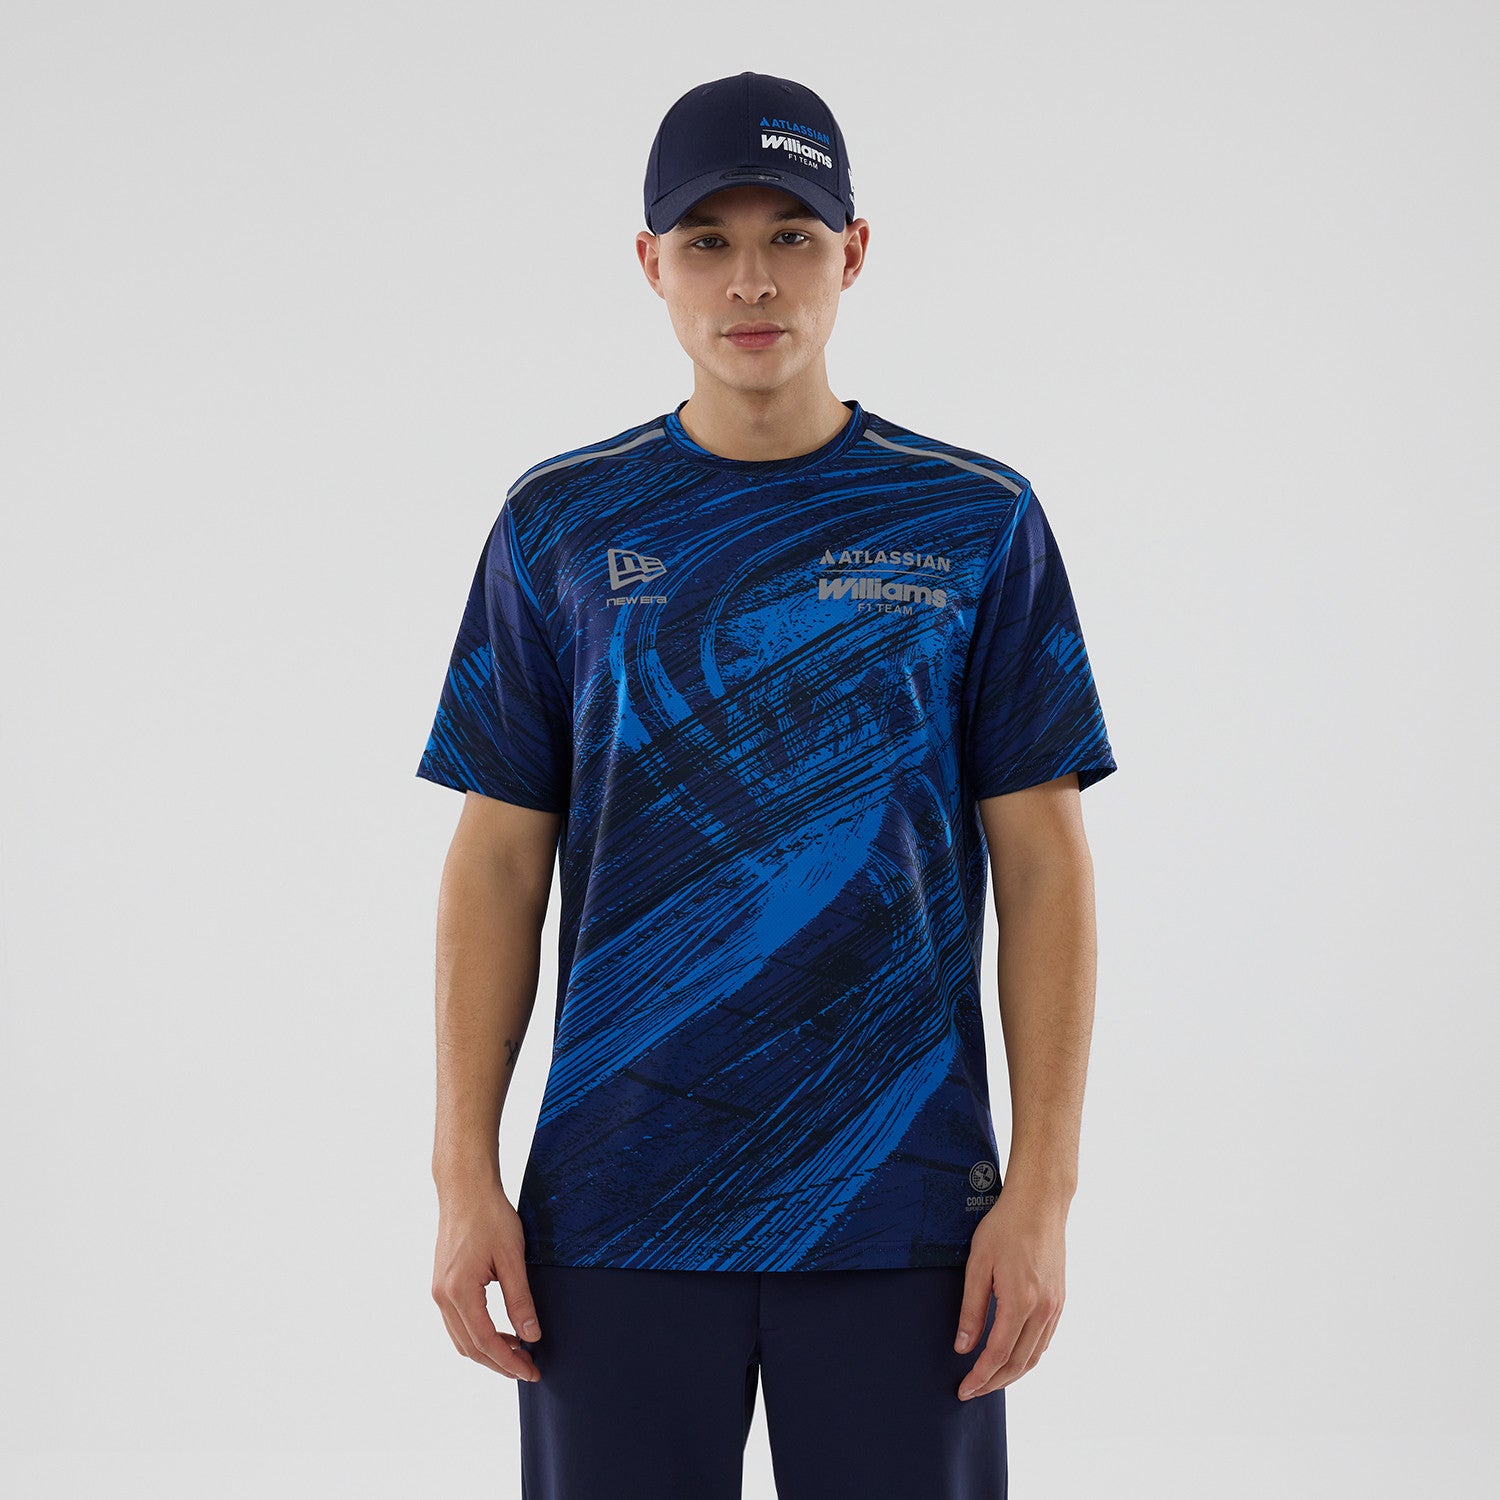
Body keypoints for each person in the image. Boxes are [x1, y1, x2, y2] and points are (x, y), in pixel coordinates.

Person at [416, 69, 1118, 1500]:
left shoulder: (975, 519)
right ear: (650, 263)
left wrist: (1043, 1191)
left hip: (904, 1209)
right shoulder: (561, 523)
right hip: (613, 1208)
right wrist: (460, 1175)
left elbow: (1044, 859)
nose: (752, 280)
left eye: (792, 235)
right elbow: (496, 857)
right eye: (710, 241)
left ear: (853, 252)